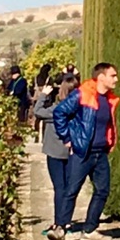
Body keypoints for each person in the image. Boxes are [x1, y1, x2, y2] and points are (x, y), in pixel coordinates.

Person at [45, 62, 119, 240]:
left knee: (102, 190)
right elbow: (59, 113)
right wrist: (67, 138)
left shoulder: (109, 99)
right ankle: (60, 228)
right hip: (82, 152)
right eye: (113, 75)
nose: (116, 79)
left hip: (100, 152)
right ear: (101, 77)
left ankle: (90, 229)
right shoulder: (82, 94)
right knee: (71, 190)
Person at [32, 65, 79, 227]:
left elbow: (38, 111)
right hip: (72, 151)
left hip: (54, 151)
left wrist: (43, 95)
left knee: (59, 187)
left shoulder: (56, 110)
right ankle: (66, 220)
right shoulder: (78, 109)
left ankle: (59, 222)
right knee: (69, 188)